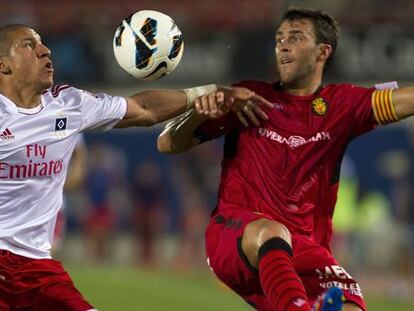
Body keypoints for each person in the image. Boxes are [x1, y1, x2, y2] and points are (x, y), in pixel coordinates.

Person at [157, 8, 414, 311]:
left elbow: (403, 100)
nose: (283, 45)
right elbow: (168, 143)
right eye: (280, 38)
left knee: (351, 308)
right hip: (236, 235)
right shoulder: (248, 97)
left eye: (295, 37)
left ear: (322, 52)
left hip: (303, 249)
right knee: (272, 232)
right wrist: (199, 111)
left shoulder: (341, 105)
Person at [0, 24, 269, 310]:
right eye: (29, 45)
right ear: (4, 65)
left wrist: (211, 91)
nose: (45, 50)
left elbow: (144, 109)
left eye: (42, 43)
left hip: (38, 269)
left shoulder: (69, 105)